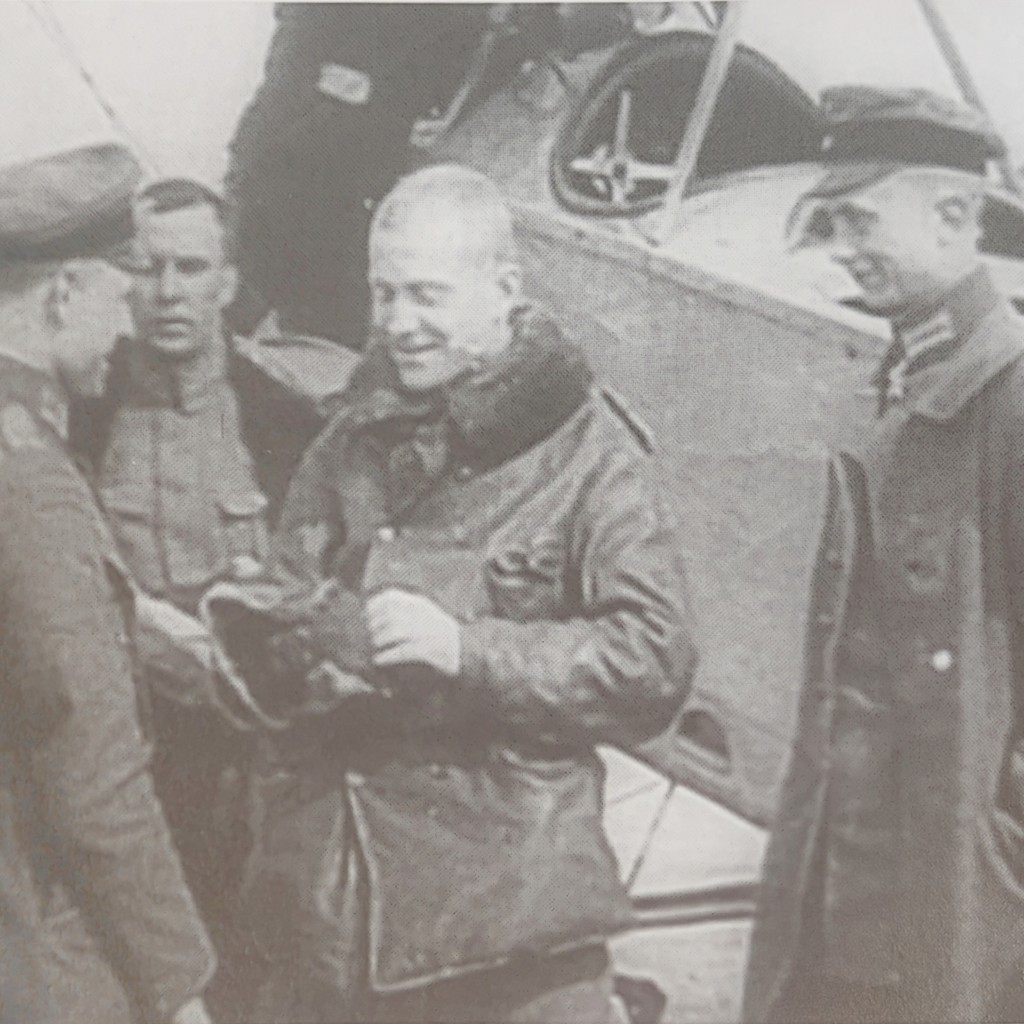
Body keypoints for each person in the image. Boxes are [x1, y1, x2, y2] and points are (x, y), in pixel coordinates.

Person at [201, 163, 698, 1023]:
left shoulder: (591, 455)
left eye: (426, 295)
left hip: (509, 928)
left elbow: (654, 661)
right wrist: (268, 640)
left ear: (503, 289)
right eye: (383, 293)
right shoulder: (352, 435)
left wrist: (468, 650)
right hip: (337, 912)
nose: (399, 323)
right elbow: (292, 593)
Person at [743, 87, 1024, 1023]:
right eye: (831, 222)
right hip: (848, 891)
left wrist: (1001, 850)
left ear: (953, 214)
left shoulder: (1010, 400)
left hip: (956, 906)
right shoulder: (902, 381)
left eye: (860, 219)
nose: (843, 247)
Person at [69, 176, 360, 1021]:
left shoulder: (285, 422)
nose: (167, 293)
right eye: (147, 268)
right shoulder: (76, 414)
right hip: (116, 765)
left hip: (244, 778)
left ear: (228, 282)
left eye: (191, 268)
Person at [0, 144, 213, 1023]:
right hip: (43, 952)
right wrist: (180, 986)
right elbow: (91, 772)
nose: (130, 330)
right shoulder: (30, 477)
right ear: (64, 293)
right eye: (121, 299)